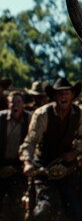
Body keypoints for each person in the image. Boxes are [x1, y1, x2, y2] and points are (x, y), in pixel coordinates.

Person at [19, 77, 82, 221]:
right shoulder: (42, 114)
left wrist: (74, 152)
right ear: (54, 97)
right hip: (44, 170)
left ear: (72, 96)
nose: (63, 96)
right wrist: (27, 161)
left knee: (76, 212)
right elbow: (30, 142)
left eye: (66, 93)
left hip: (67, 170)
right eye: (59, 93)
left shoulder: (80, 114)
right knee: (43, 210)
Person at [0, 91, 32, 220]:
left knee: (17, 205)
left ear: (23, 104)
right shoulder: (1, 118)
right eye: (12, 102)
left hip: (18, 168)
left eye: (18, 102)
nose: (15, 105)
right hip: (0, 165)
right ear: (8, 104)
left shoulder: (29, 120)